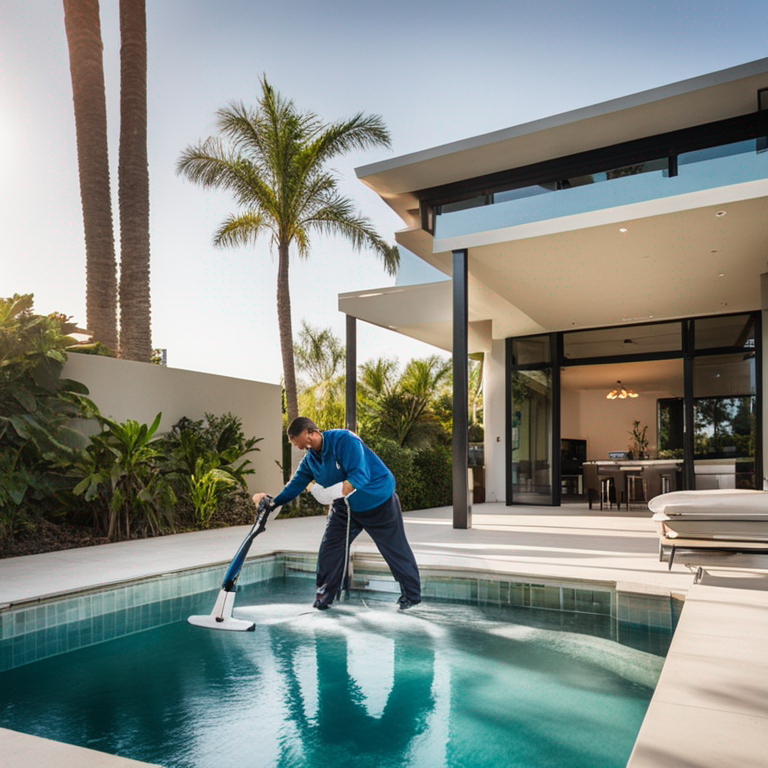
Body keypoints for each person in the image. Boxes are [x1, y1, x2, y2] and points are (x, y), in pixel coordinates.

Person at [253, 417, 421, 611]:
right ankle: (324, 597)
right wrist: (272, 503)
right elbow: (295, 485)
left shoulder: (345, 440)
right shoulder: (310, 460)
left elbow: (360, 476)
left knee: (395, 549)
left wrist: (328, 492)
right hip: (345, 507)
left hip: (377, 501)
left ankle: (411, 596)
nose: (302, 448)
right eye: (299, 446)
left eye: (304, 443)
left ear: (313, 432)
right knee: (330, 549)